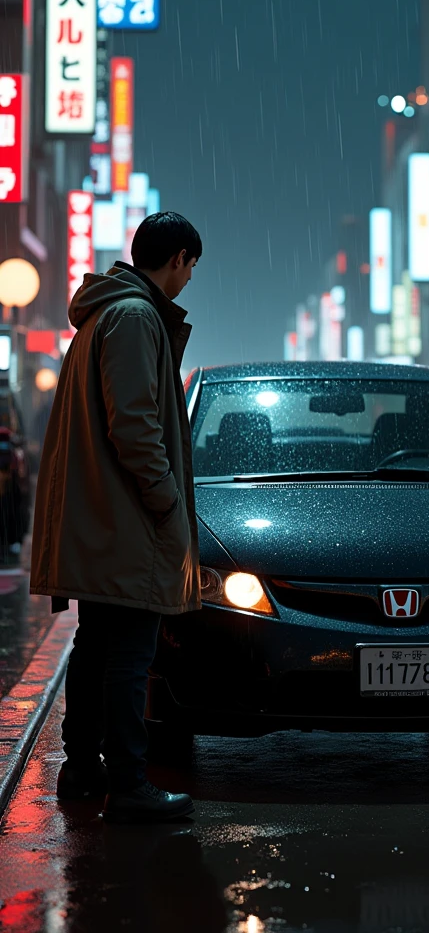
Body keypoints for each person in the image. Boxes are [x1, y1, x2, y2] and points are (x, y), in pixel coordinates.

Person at [30, 211, 202, 823]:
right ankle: (129, 783)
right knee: (129, 653)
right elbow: (134, 426)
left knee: (98, 646)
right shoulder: (133, 317)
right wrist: (169, 504)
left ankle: (83, 771)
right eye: (189, 269)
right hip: (126, 521)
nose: (187, 282)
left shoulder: (108, 313)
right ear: (178, 258)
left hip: (103, 517)